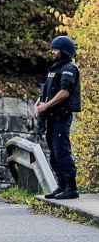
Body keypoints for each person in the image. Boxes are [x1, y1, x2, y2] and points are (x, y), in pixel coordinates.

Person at [34, 36, 81, 200]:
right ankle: (61, 187)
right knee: (54, 154)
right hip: (52, 118)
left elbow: (64, 92)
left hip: (61, 116)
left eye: (56, 49)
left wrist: (45, 106)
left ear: (64, 50)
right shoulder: (55, 69)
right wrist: (38, 104)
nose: (53, 52)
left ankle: (71, 188)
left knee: (62, 152)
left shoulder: (69, 68)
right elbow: (47, 91)